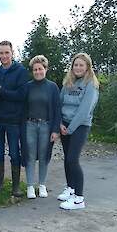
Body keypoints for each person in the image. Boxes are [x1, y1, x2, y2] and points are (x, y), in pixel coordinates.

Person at [58, 53, 99, 210]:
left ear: (87, 67)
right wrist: (60, 123)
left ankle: (79, 199)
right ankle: (71, 188)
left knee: (73, 160)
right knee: (67, 158)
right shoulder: (68, 82)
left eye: (81, 65)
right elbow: (60, 103)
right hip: (65, 126)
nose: (78, 68)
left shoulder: (91, 85)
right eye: (76, 65)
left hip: (80, 127)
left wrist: (70, 129)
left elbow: (84, 110)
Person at [0, 41, 30, 197]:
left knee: (14, 153)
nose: (4, 56)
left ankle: (16, 187)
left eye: (7, 53)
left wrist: (2, 92)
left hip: (13, 120)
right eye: (1, 53)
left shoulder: (20, 71)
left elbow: (21, 95)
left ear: (12, 53)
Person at [21, 55, 61, 199]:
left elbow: (57, 109)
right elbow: (22, 107)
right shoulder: (28, 86)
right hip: (30, 125)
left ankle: (42, 185)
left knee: (44, 156)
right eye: (35, 69)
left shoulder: (52, 87)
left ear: (46, 69)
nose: (38, 72)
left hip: (46, 126)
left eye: (40, 69)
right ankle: (30, 186)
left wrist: (56, 130)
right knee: (30, 156)